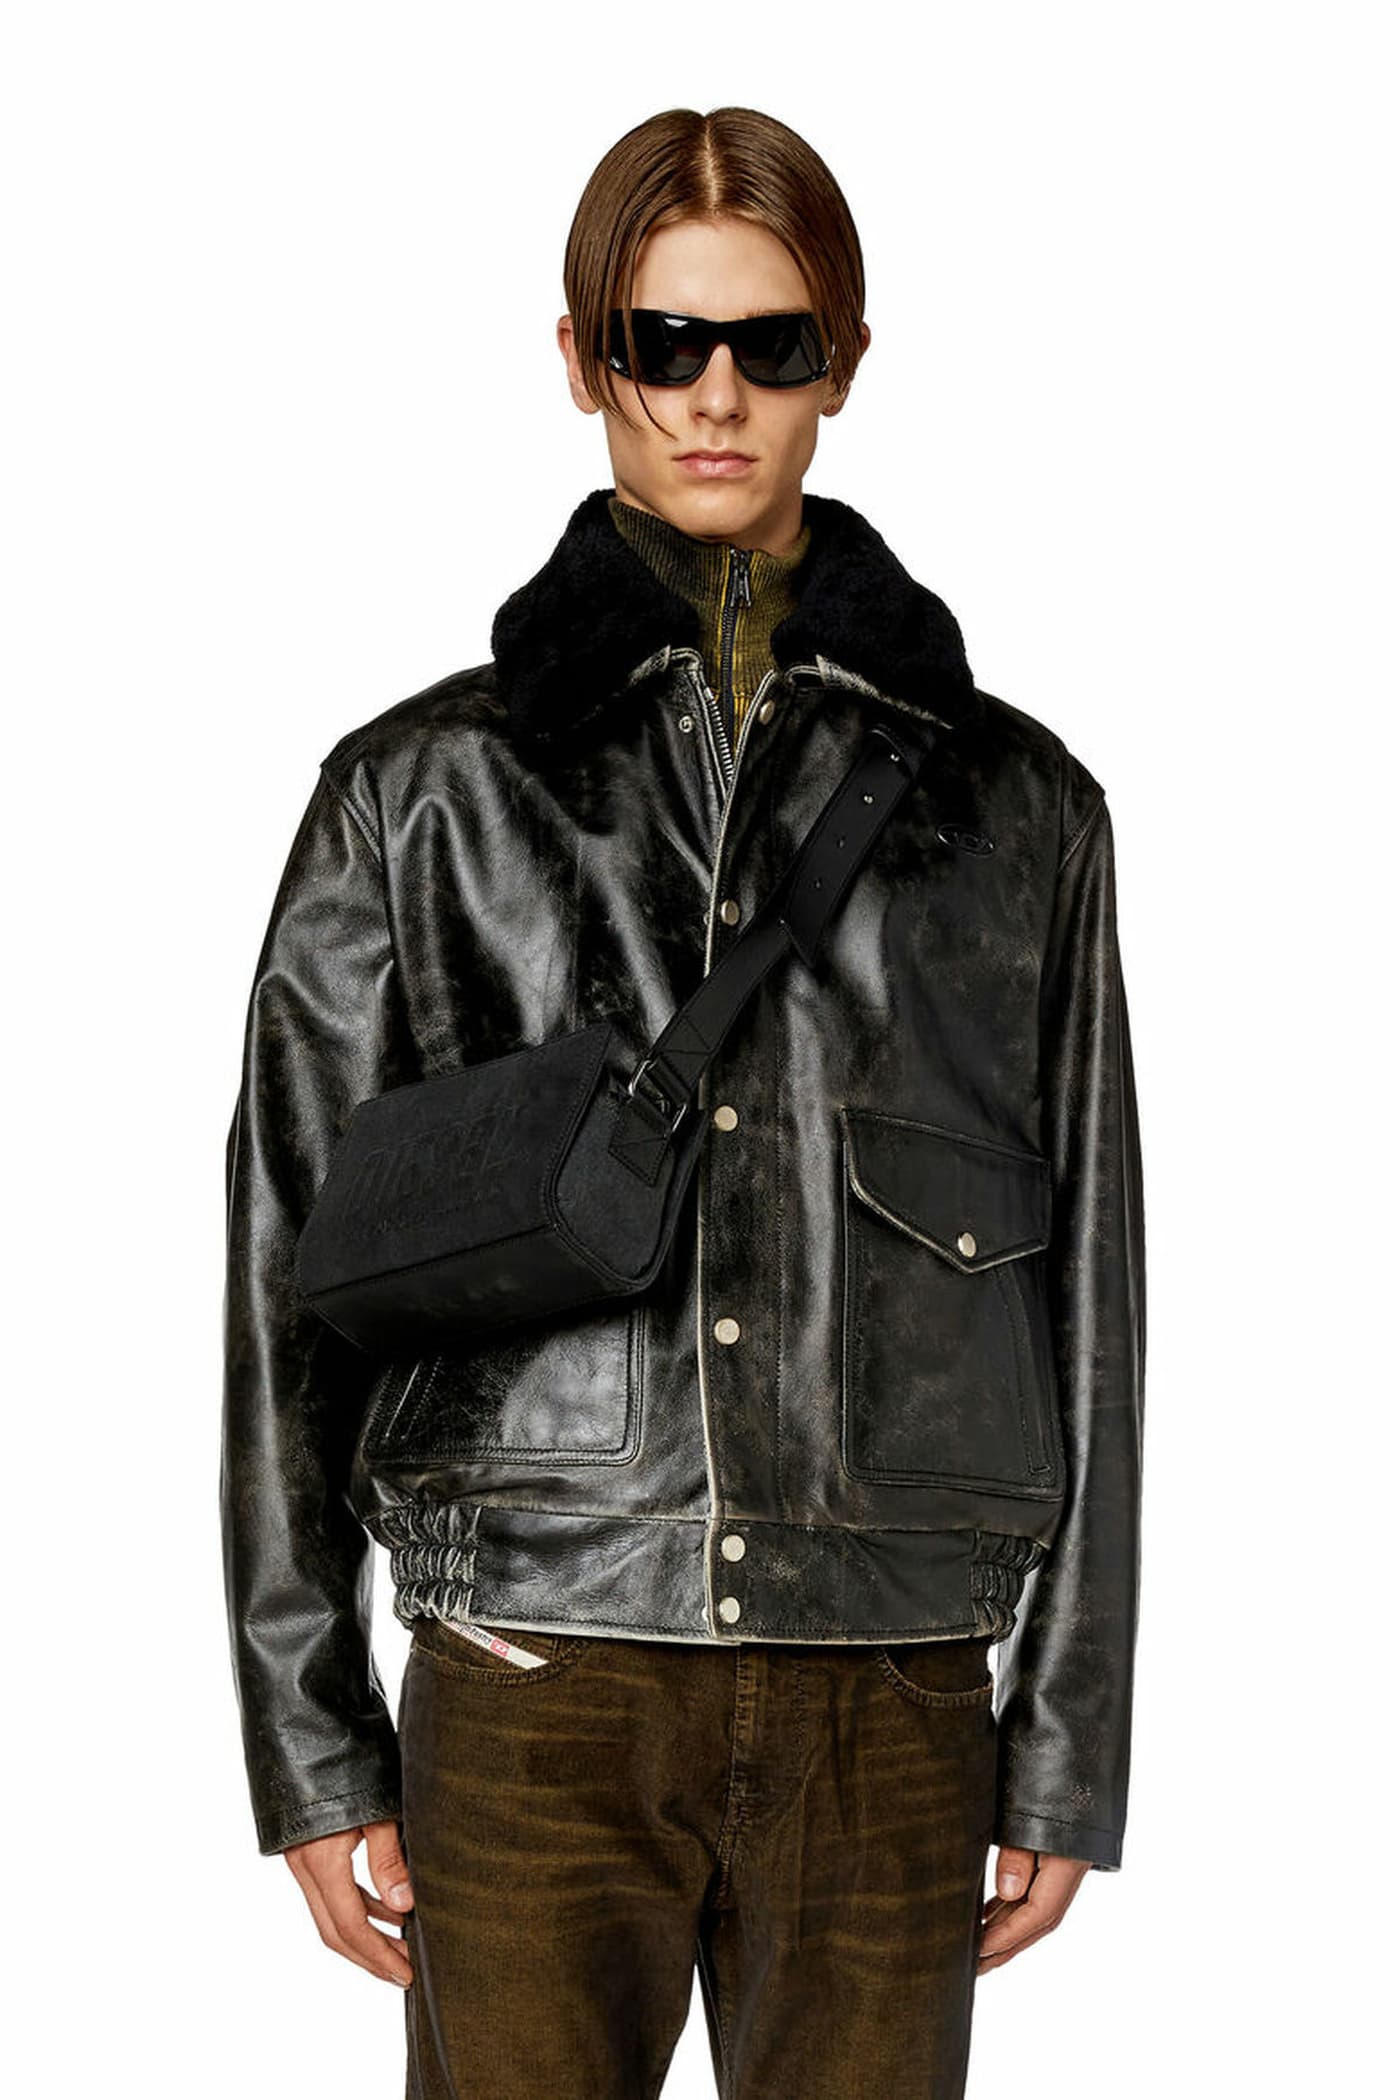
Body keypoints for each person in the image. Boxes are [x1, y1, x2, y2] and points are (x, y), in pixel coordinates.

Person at [221, 104, 1146, 2100]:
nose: (716, 395)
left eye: (770, 344)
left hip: (890, 1695)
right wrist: (309, 1735)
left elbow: (1093, 1288)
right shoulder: (420, 796)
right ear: (583, 359)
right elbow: (288, 1279)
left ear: (844, 363)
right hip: (528, 1678)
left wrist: (1067, 1739)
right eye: (663, 342)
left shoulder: (1020, 811)